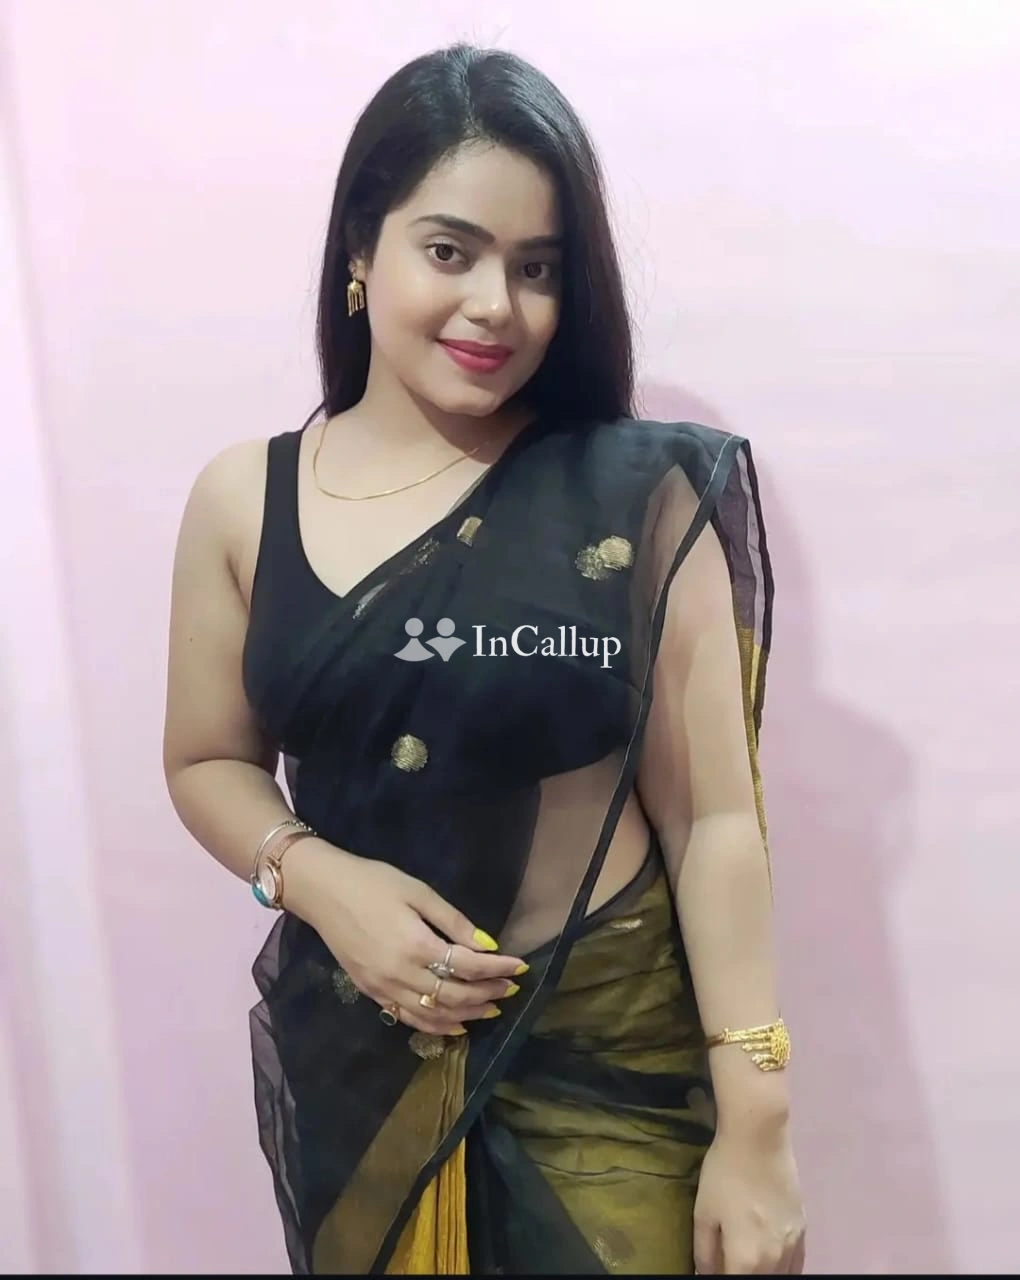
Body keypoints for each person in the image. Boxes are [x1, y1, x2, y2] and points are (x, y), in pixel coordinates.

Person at [162, 42, 806, 1276]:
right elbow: (205, 761)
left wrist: (759, 1117)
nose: (496, 305)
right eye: (450, 251)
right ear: (362, 251)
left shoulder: (634, 494)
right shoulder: (246, 499)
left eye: (537, 267)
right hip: (359, 1075)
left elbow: (714, 817)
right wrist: (320, 882)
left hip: (608, 1075)